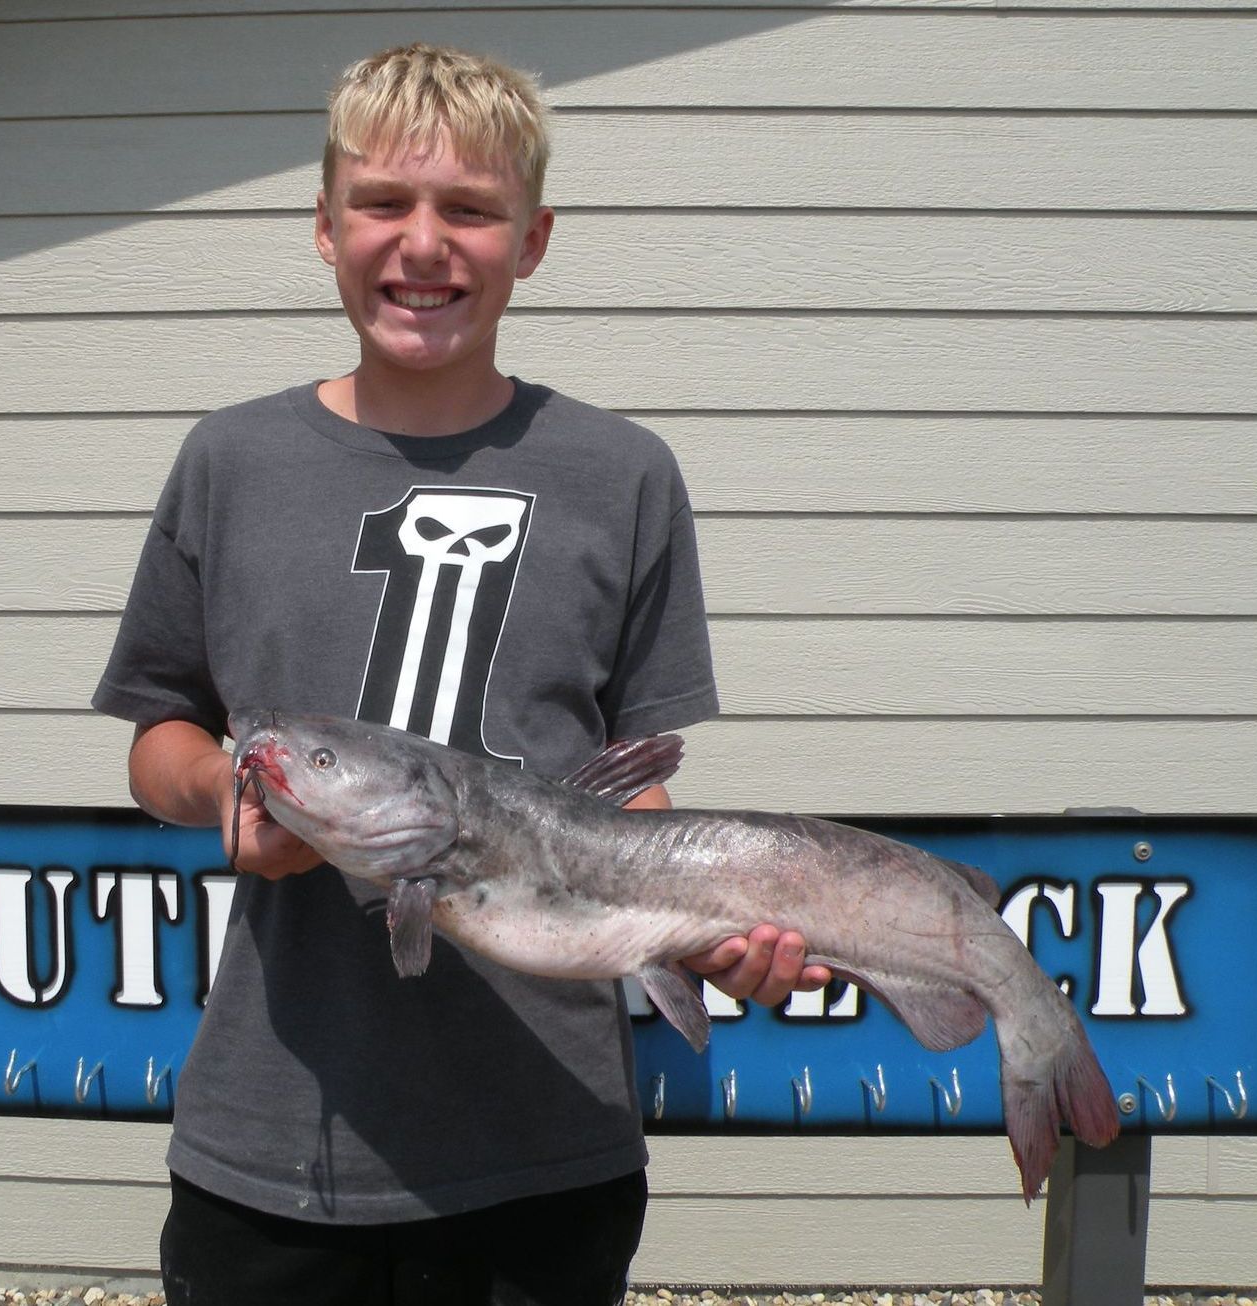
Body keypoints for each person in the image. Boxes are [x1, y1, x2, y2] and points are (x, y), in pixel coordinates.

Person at [93, 42, 828, 1306]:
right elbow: (158, 726)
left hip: (544, 1150)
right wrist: (222, 792)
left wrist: (705, 933)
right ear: (323, 228)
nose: (421, 243)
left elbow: (632, 798)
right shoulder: (231, 461)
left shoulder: (624, 475)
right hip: (275, 1143)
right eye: (381, 203)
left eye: (470, 211)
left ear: (532, 240)